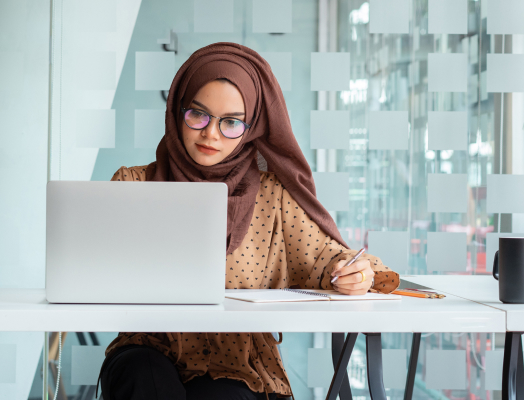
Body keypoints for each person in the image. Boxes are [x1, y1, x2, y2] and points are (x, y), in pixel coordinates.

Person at [97, 42, 400, 400]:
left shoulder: (274, 197)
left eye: (231, 122)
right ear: (177, 111)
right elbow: (93, 269)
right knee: (141, 377)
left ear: (252, 127)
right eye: (198, 114)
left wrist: (354, 273)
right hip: (146, 347)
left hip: (239, 362)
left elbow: (326, 258)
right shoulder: (133, 186)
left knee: (224, 396)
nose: (211, 133)